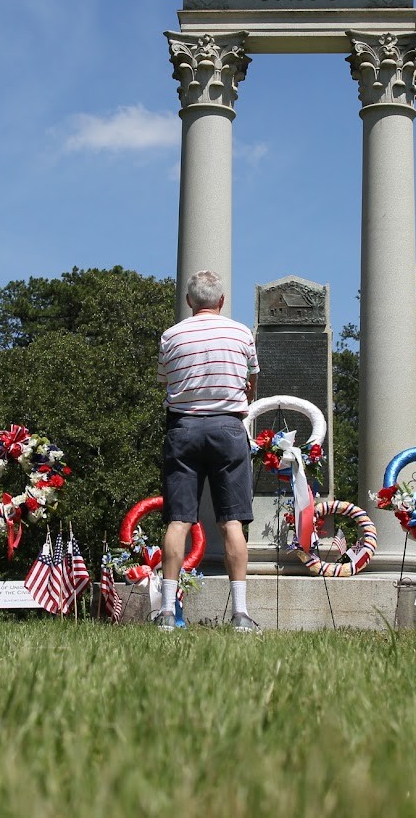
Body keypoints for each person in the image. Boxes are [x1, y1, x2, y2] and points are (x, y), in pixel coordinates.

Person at [155, 269, 260, 633]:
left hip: (183, 427)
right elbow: (252, 382)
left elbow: (165, 381)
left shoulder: (171, 335)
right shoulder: (242, 333)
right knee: (232, 521)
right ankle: (241, 614)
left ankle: (167, 611)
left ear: (188, 302)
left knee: (179, 520)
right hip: (228, 429)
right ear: (221, 301)